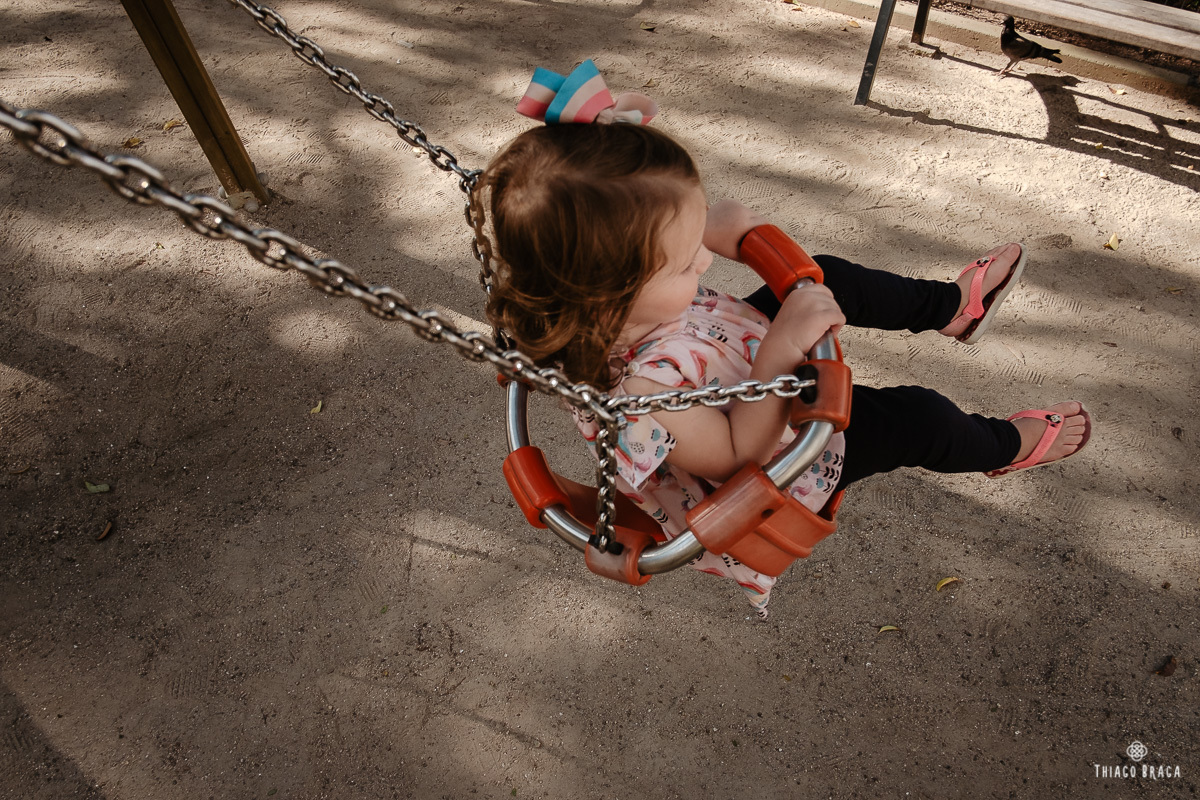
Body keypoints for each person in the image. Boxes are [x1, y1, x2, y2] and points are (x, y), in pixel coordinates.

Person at [473, 62, 1091, 615]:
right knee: (918, 417)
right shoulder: (642, 395)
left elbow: (639, 235)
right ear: (614, 288)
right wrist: (779, 352)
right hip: (788, 453)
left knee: (831, 276)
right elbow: (737, 451)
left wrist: (705, 230)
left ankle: (953, 309)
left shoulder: (610, 298)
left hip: (723, 348)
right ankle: (1005, 446)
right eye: (688, 259)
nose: (705, 263)